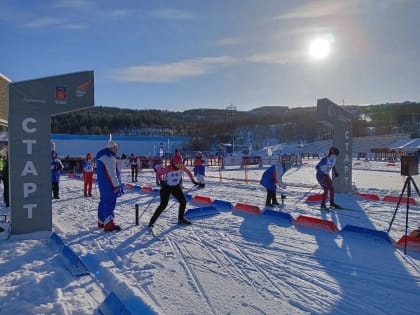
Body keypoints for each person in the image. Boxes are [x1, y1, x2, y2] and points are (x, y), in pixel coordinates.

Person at [148, 150, 198, 227]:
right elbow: (158, 173)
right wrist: (161, 181)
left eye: (180, 162)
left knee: (183, 202)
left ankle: (180, 219)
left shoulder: (182, 167)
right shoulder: (169, 168)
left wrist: (193, 181)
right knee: (163, 205)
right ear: (173, 163)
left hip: (175, 187)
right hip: (166, 187)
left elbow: (189, 173)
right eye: (177, 163)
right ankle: (152, 221)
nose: (179, 164)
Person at [95, 141, 124, 232]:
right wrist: (116, 185)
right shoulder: (109, 158)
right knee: (109, 203)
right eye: (115, 148)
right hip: (109, 185)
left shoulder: (101, 156)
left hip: (103, 184)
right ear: (111, 148)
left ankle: (101, 221)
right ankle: (109, 225)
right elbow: (112, 173)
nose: (117, 150)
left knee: (103, 202)